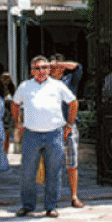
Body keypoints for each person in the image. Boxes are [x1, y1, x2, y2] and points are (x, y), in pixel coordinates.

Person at [11, 55, 77, 217]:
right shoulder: (25, 86)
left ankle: (51, 206)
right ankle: (27, 205)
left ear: (49, 69)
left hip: (54, 134)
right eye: (37, 68)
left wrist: (69, 124)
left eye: (44, 68)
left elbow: (73, 102)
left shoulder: (57, 85)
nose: (41, 71)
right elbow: (14, 104)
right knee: (27, 171)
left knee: (54, 171)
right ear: (32, 71)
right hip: (32, 134)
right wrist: (17, 123)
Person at [49, 53, 84, 207]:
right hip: (50, 126)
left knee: (72, 163)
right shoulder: (45, 84)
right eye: (52, 67)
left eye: (57, 67)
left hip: (69, 126)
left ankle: (74, 196)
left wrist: (61, 64)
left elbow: (78, 68)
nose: (54, 70)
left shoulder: (68, 82)